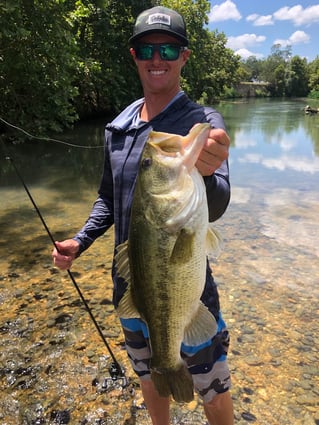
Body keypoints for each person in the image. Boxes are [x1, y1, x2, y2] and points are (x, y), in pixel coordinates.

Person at [52, 6, 233, 425]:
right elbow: (107, 198)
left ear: (184, 57)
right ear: (133, 55)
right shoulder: (117, 128)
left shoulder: (202, 122)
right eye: (147, 49)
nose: (157, 58)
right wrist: (81, 240)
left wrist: (206, 170)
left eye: (169, 49)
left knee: (212, 387)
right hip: (131, 288)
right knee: (150, 379)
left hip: (187, 293)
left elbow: (219, 203)